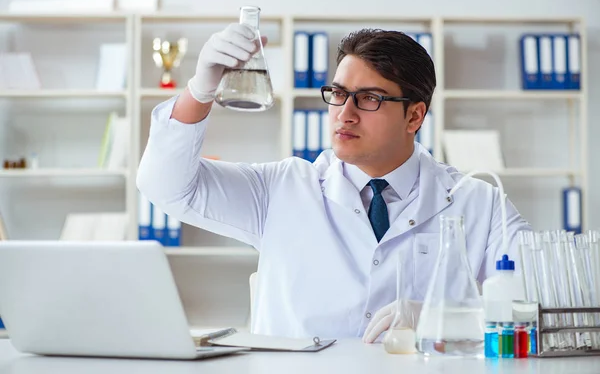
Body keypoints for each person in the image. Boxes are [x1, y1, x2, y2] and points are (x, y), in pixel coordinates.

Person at [136, 23, 532, 343]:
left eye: (370, 99)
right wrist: (199, 90)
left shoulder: (477, 202)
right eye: (339, 94)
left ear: (414, 117)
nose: (345, 114)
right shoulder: (282, 188)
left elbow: (540, 302)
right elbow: (166, 186)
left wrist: (449, 317)